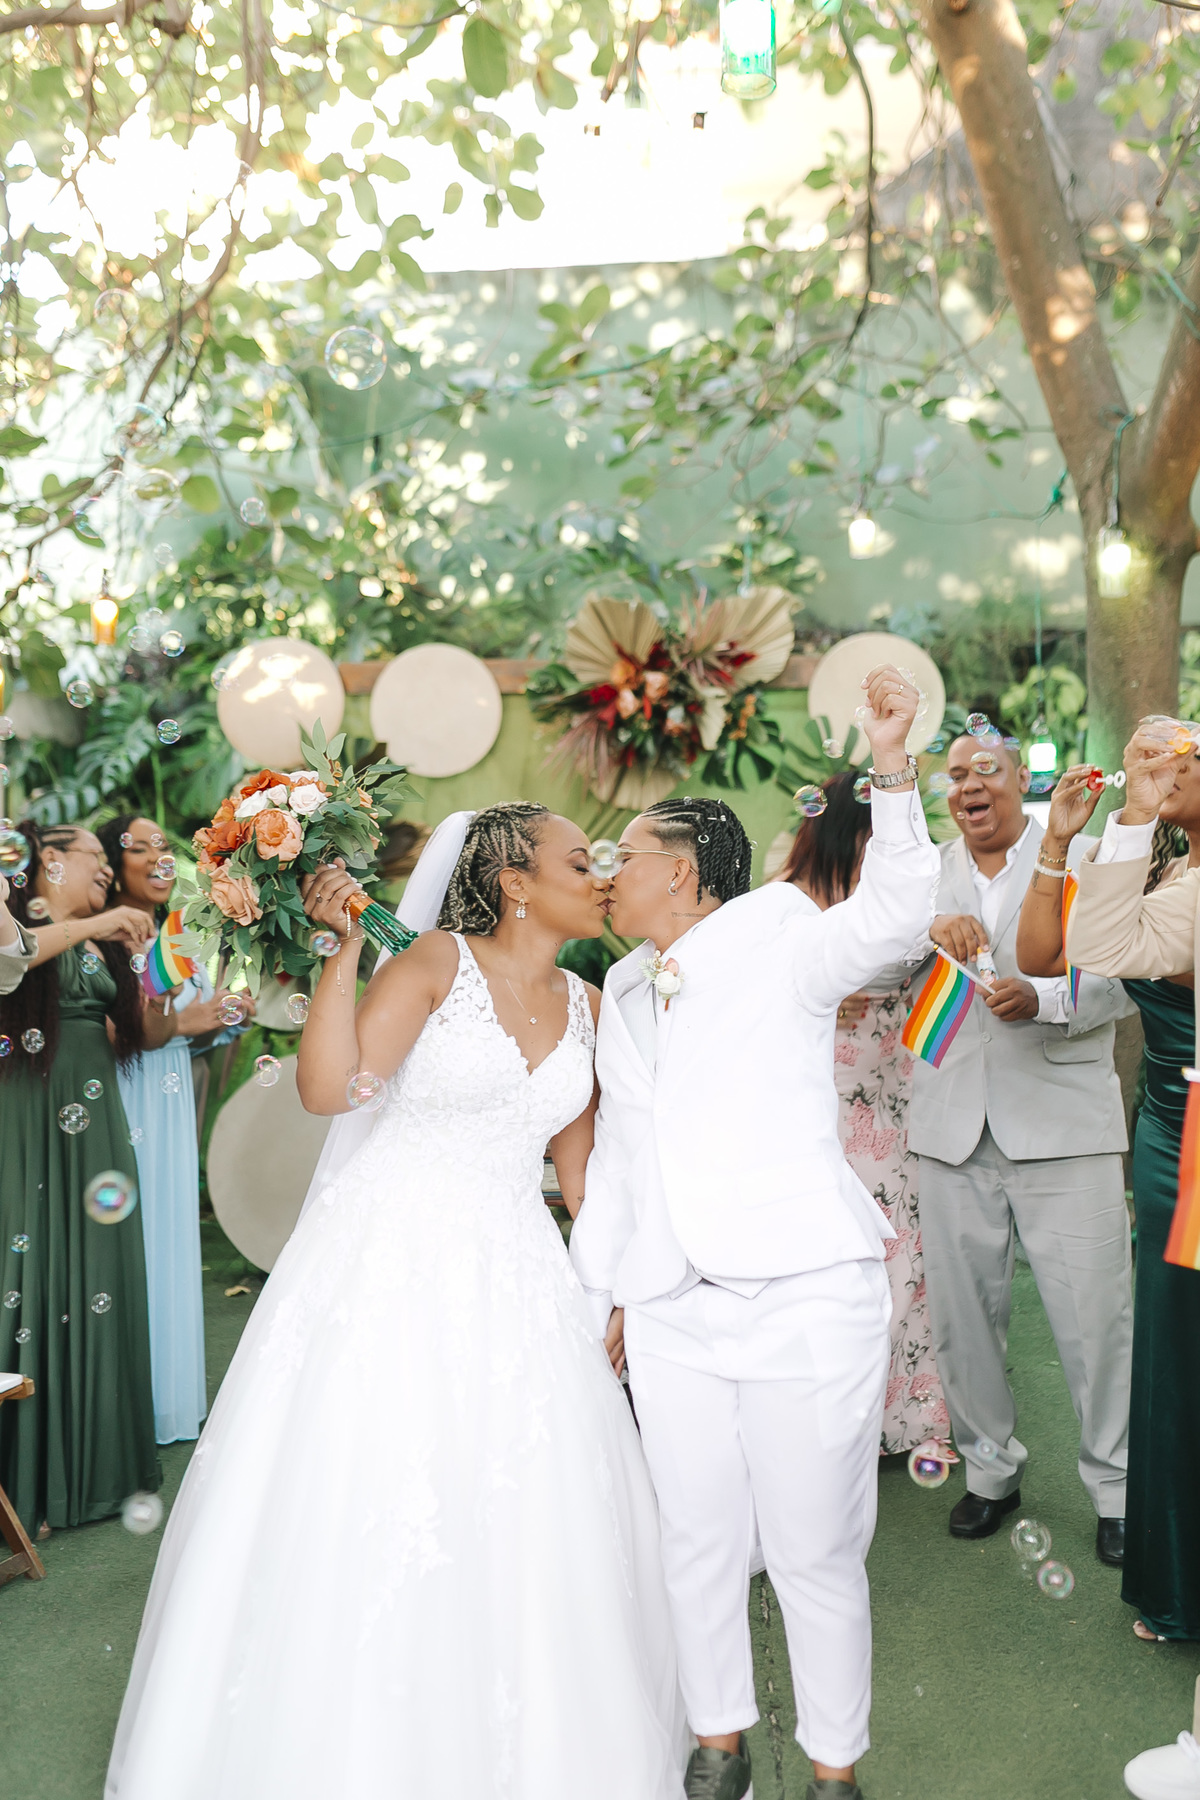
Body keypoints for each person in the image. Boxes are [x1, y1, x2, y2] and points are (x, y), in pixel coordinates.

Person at [106, 803, 687, 1800]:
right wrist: (341, 950)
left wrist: (628, 1288)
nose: (599, 877)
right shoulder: (432, 963)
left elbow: (582, 1179)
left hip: (518, 1270)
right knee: (372, 1479)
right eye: (577, 861)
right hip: (387, 1256)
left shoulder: (593, 1004)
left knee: (522, 1498)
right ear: (513, 882)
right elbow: (331, 1090)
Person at [570, 665, 940, 1800]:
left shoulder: (788, 937)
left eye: (624, 855)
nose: (606, 872)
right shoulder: (620, 989)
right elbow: (623, 1157)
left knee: (815, 1545)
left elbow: (895, 915)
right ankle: (718, 1741)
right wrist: (609, 1293)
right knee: (695, 1535)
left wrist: (891, 768)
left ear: (681, 872)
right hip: (672, 1305)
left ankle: (834, 1771)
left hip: (801, 1292)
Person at [904, 730, 1133, 1566]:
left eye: (985, 770)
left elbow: (1126, 974)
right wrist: (923, 929)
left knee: (1096, 1322)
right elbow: (871, 967)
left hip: (1065, 1127)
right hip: (949, 1129)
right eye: (955, 775)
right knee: (963, 1322)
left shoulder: (1087, 856)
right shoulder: (916, 875)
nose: (968, 785)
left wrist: (1044, 1001)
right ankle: (990, 1474)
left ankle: (1118, 1489)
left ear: (1017, 780)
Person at [1043, 728, 1200, 1649]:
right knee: (1175, 1347)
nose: (1172, 764)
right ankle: (1181, 1582)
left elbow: (1098, 943)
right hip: (1170, 1133)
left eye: (1189, 756)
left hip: (1193, 1141)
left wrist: (1139, 810)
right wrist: (1126, 817)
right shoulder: (1175, 873)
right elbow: (1087, 939)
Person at [0, 822, 162, 1537]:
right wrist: (100, 922)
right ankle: (32, 1478)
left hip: (96, 1126)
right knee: (32, 1269)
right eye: (96, 857)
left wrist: (153, 980)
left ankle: (100, 1469)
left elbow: (135, 1035)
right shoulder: (22, 928)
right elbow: (14, 958)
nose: (106, 871)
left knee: (100, 1271)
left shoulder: (102, 942)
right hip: (30, 1115)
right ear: (50, 859)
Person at [780, 770, 948, 1456]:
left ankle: (909, 1414)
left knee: (903, 1248)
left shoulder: (898, 897)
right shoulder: (788, 903)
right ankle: (836, 1416)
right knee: (836, 1256)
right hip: (819, 1095)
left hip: (895, 1086)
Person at [97, 814, 255, 1445]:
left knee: (168, 1233)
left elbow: (189, 1027)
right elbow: (112, 1032)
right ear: (113, 865)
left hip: (167, 1099)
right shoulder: (103, 942)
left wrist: (225, 1017)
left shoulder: (176, 937)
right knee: (133, 1237)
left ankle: (166, 1398)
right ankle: (123, 1402)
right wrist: (194, 1021)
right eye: (142, 848)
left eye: (164, 847)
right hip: (124, 1097)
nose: (160, 859)